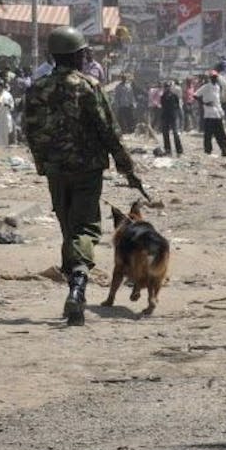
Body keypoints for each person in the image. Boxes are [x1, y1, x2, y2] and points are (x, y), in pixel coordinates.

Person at [22, 26, 144, 326]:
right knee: (85, 228)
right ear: (78, 56)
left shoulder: (37, 88)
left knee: (68, 226)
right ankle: (78, 285)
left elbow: (31, 131)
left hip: (55, 169)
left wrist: (42, 163)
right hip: (87, 168)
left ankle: (74, 286)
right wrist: (126, 167)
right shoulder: (88, 86)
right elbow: (108, 131)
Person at [197, 70, 226, 156]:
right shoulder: (206, 87)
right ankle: (208, 150)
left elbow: (218, 101)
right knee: (208, 134)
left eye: (216, 77)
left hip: (218, 114)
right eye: (213, 77)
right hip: (209, 114)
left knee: (221, 134)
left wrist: (222, 112)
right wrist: (204, 103)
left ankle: (225, 150)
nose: (215, 79)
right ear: (210, 78)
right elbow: (196, 95)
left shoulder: (218, 87)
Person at [159, 80, 184, 156]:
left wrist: (179, 115)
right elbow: (163, 106)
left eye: (168, 87)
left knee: (176, 133)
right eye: (166, 87)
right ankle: (168, 149)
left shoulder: (174, 96)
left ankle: (179, 150)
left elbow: (177, 106)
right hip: (165, 116)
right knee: (165, 133)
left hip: (173, 116)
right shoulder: (163, 96)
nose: (167, 88)